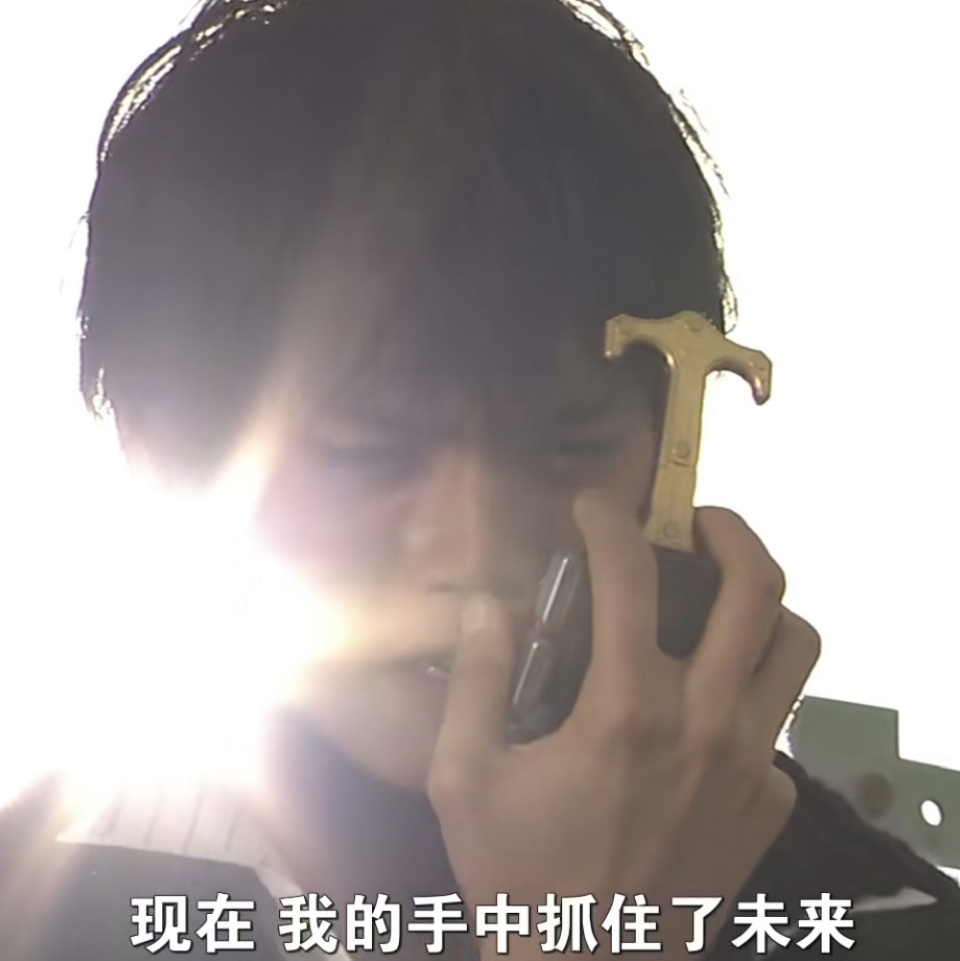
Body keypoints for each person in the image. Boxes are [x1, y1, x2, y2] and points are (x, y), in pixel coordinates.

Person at [2, 0, 957, 958]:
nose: (481, 547)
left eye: (570, 441)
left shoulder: (892, 920)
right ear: (166, 456)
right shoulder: (34, 904)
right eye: (365, 450)